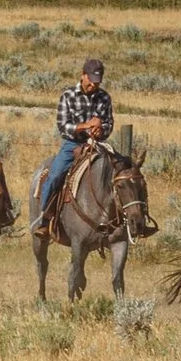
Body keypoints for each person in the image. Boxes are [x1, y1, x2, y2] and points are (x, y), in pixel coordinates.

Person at [34, 57, 113, 238]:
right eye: (91, 81)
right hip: (73, 144)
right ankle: (44, 220)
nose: (93, 85)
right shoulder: (68, 96)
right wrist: (86, 126)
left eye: (97, 82)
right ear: (83, 75)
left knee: (122, 171)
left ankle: (124, 219)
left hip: (98, 144)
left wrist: (101, 129)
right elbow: (63, 126)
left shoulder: (104, 97)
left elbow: (109, 123)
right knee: (55, 175)